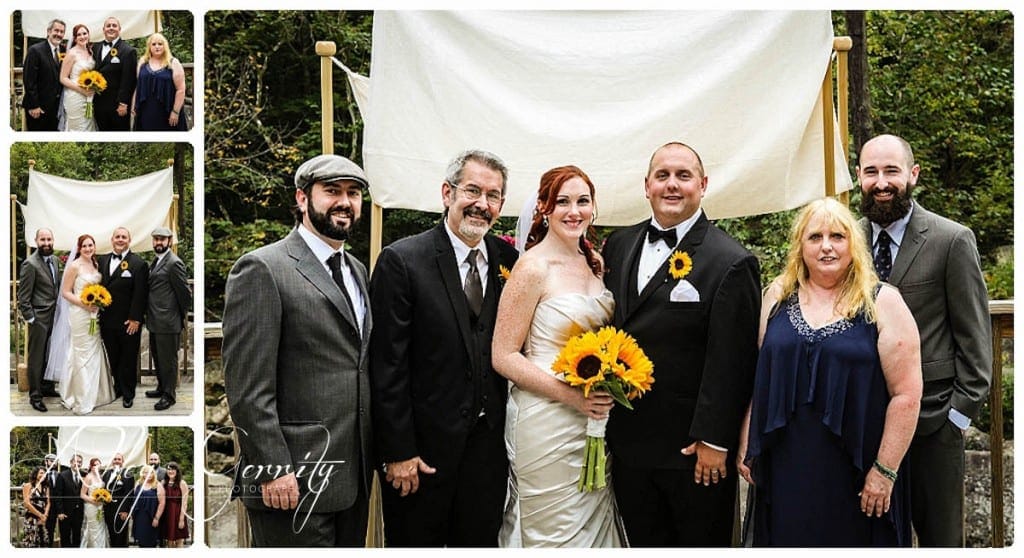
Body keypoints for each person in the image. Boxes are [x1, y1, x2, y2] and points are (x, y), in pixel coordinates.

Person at [602, 142, 761, 546]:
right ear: (647, 186)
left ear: (703, 185)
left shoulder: (731, 261)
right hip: (628, 447)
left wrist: (714, 440)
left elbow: (734, 362)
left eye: (683, 176)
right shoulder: (618, 246)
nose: (672, 185)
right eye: (663, 176)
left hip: (692, 454)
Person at [738, 198, 922, 546]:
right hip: (786, 464)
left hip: (858, 469)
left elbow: (907, 394)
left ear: (853, 243)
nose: (826, 246)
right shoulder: (777, 297)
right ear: (799, 245)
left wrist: (884, 471)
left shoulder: (884, 302)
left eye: (837, 236)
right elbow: (758, 373)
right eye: (815, 237)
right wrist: (748, 435)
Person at [222, 153, 373, 547]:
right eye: (332, 191)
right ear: (303, 199)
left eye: (354, 193)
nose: (345, 201)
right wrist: (271, 467)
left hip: (352, 475)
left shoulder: (357, 270)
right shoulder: (262, 268)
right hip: (292, 479)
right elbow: (247, 387)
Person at [369, 149, 518, 547]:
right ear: (447, 193)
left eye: (493, 196)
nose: (481, 204)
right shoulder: (402, 261)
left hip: (488, 455)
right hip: (420, 457)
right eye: (472, 190)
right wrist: (398, 452)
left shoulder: (511, 261)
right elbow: (386, 366)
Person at [856, 134, 992, 547]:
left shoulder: (951, 240)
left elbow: (976, 343)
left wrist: (957, 418)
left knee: (940, 542)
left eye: (892, 171)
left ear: (913, 175)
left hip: (933, 425)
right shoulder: (844, 242)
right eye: (871, 172)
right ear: (858, 177)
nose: (882, 182)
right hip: (862, 425)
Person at [491, 165, 621, 547]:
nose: (573, 211)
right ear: (544, 209)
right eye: (562, 201)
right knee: (552, 526)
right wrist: (570, 396)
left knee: (593, 515)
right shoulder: (532, 267)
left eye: (582, 201)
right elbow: (503, 355)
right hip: (546, 417)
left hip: (593, 416)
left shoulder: (595, 262)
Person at [57, 234, 116, 414]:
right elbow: (65, 292)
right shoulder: (74, 266)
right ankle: (82, 397)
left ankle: (98, 393)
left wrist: (97, 303)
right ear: (79, 248)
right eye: (85, 246)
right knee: (81, 352)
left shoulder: (95, 264)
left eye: (91, 245)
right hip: (79, 314)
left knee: (94, 349)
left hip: (94, 314)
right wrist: (85, 305)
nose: (88, 249)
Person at [98, 227, 149, 408]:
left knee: (128, 358)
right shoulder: (102, 261)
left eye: (124, 237)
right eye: (117, 237)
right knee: (113, 356)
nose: (120, 240)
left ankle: (128, 393)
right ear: (112, 240)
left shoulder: (138, 264)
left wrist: (136, 318)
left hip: (128, 322)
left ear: (129, 240)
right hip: (107, 321)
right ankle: (118, 387)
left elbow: (140, 294)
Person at [145, 227, 192, 410]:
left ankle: (169, 395)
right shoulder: (156, 261)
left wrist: (178, 316)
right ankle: (161, 386)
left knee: (168, 361)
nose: (159, 242)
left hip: (168, 321)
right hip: (155, 320)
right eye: (156, 239)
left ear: (169, 241)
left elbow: (185, 294)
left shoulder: (174, 263)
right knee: (158, 357)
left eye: (162, 239)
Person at [17, 228, 61, 412]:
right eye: (42, 239)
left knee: (51, 353)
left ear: (53, 240)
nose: (46, 243)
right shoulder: (30, 264)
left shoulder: (56, 260)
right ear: (36, 241)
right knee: (36, 357)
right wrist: (32, 319)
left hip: (55, 316)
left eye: (49, 239)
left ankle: (47, 387)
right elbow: (23, 297)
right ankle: (35, 396)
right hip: (39, 319)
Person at [132, 33, 187, 131]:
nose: (157, 47)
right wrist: (133, 105)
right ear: (149, 46)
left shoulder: (173, 63)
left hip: (168, 110)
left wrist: (175, 111)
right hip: (146, 110)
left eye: (160, 44)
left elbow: (181, 90)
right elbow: (137, 86)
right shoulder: (142, 62)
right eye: (153, 44)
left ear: (165, 46)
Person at [91, 16, 136, 131]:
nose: (111, 28)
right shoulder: (96, 47)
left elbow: (129, 80)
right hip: (99, 103)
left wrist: (123, 103)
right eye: (108, 26)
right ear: (103, 29)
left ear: (119, 29)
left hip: (117, 105)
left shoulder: (128, 51)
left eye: (114, 26)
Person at [21, 19, 65, 131]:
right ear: (49, 31)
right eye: (56, 31)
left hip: (56, 109)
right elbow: (29, 80)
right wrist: (34, 105)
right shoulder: (35, 50)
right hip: (38, 109)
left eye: (62, 32)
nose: (59, 34)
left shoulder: (64, 51)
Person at [57, 23, 97, 132]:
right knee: (78, 126)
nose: (82, 36)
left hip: (89, 94)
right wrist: (81, 90)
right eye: (79, 35)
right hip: (75, 95)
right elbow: (63, 78)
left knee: (89, 123)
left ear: (88, 35)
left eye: (84, 33)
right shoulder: (71, 54)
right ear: (75, 38)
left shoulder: (90, 52)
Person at [101, 452, 134, 547]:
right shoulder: (106, 474)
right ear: (112, 461)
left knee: (121, 536)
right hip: (108, 510)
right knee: (111, 534)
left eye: (119, 459)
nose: (116, 461)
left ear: (123, 461)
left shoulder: (128, 474)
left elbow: (129, 494)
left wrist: (125, 511)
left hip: (121, 511)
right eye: (115, 459)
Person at [53, 454, 84, 547]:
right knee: (65, 537)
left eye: (79, 462)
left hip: (79, 513)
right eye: (75, 461)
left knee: (77, 536)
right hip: (65, 513)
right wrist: (60, 512)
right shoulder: (62, 475)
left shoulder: (84, 476)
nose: (77, 464)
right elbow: (58, 495)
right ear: (71, 463)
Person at [79, 457, 111, 547]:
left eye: (98, 464)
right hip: (91, 506)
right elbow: (82, 494)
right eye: (94, 465)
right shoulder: (88, 477)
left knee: (101, 527)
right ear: (91, 466)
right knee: (93, 528)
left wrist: (103, 498)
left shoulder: (100, 476)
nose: (96, 466)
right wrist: (94, 501)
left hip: (100, 506)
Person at [131, 465, 166, 548]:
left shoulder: (157, 485)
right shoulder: (138, 483)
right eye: (145, 473)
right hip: (139, 517)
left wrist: (157, 518)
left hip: (151, 517)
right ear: (142, 474)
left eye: (150, 473)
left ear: (153, 474)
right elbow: (134, 499)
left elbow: (162, 503)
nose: (148, 475)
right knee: (141, 541)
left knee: (151, 542)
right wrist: (132, 512)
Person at [161, 462, 190, 547]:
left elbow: (184, 503)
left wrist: (181, 519)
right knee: (169, 541)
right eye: (169, 469)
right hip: (167, 514)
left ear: (177, 471)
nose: (170, 471)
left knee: (179, 540)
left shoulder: (182, 483)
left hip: (178, 513)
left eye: (173, 469)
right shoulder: (163, 483)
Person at [20, 467, 51, 547]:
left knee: (43, 541)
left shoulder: (46, 487)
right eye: (41, 473)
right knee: (31, 541)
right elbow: (27, 503)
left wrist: (45, 516)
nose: (43, 475)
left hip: (43, 519)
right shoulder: (28, 486)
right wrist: (40, 515)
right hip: (31, 518)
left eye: (44, 473)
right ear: (35, 474)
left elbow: (48, 502)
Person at [42, 454, 63, 546]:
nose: (53, 462)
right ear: (46, 461)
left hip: (56, 507)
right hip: (44, 506)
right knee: (45, 531)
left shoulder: (59, 474)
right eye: (51, 460)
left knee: (55, 530)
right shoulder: (41, 473)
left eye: (55, 460)